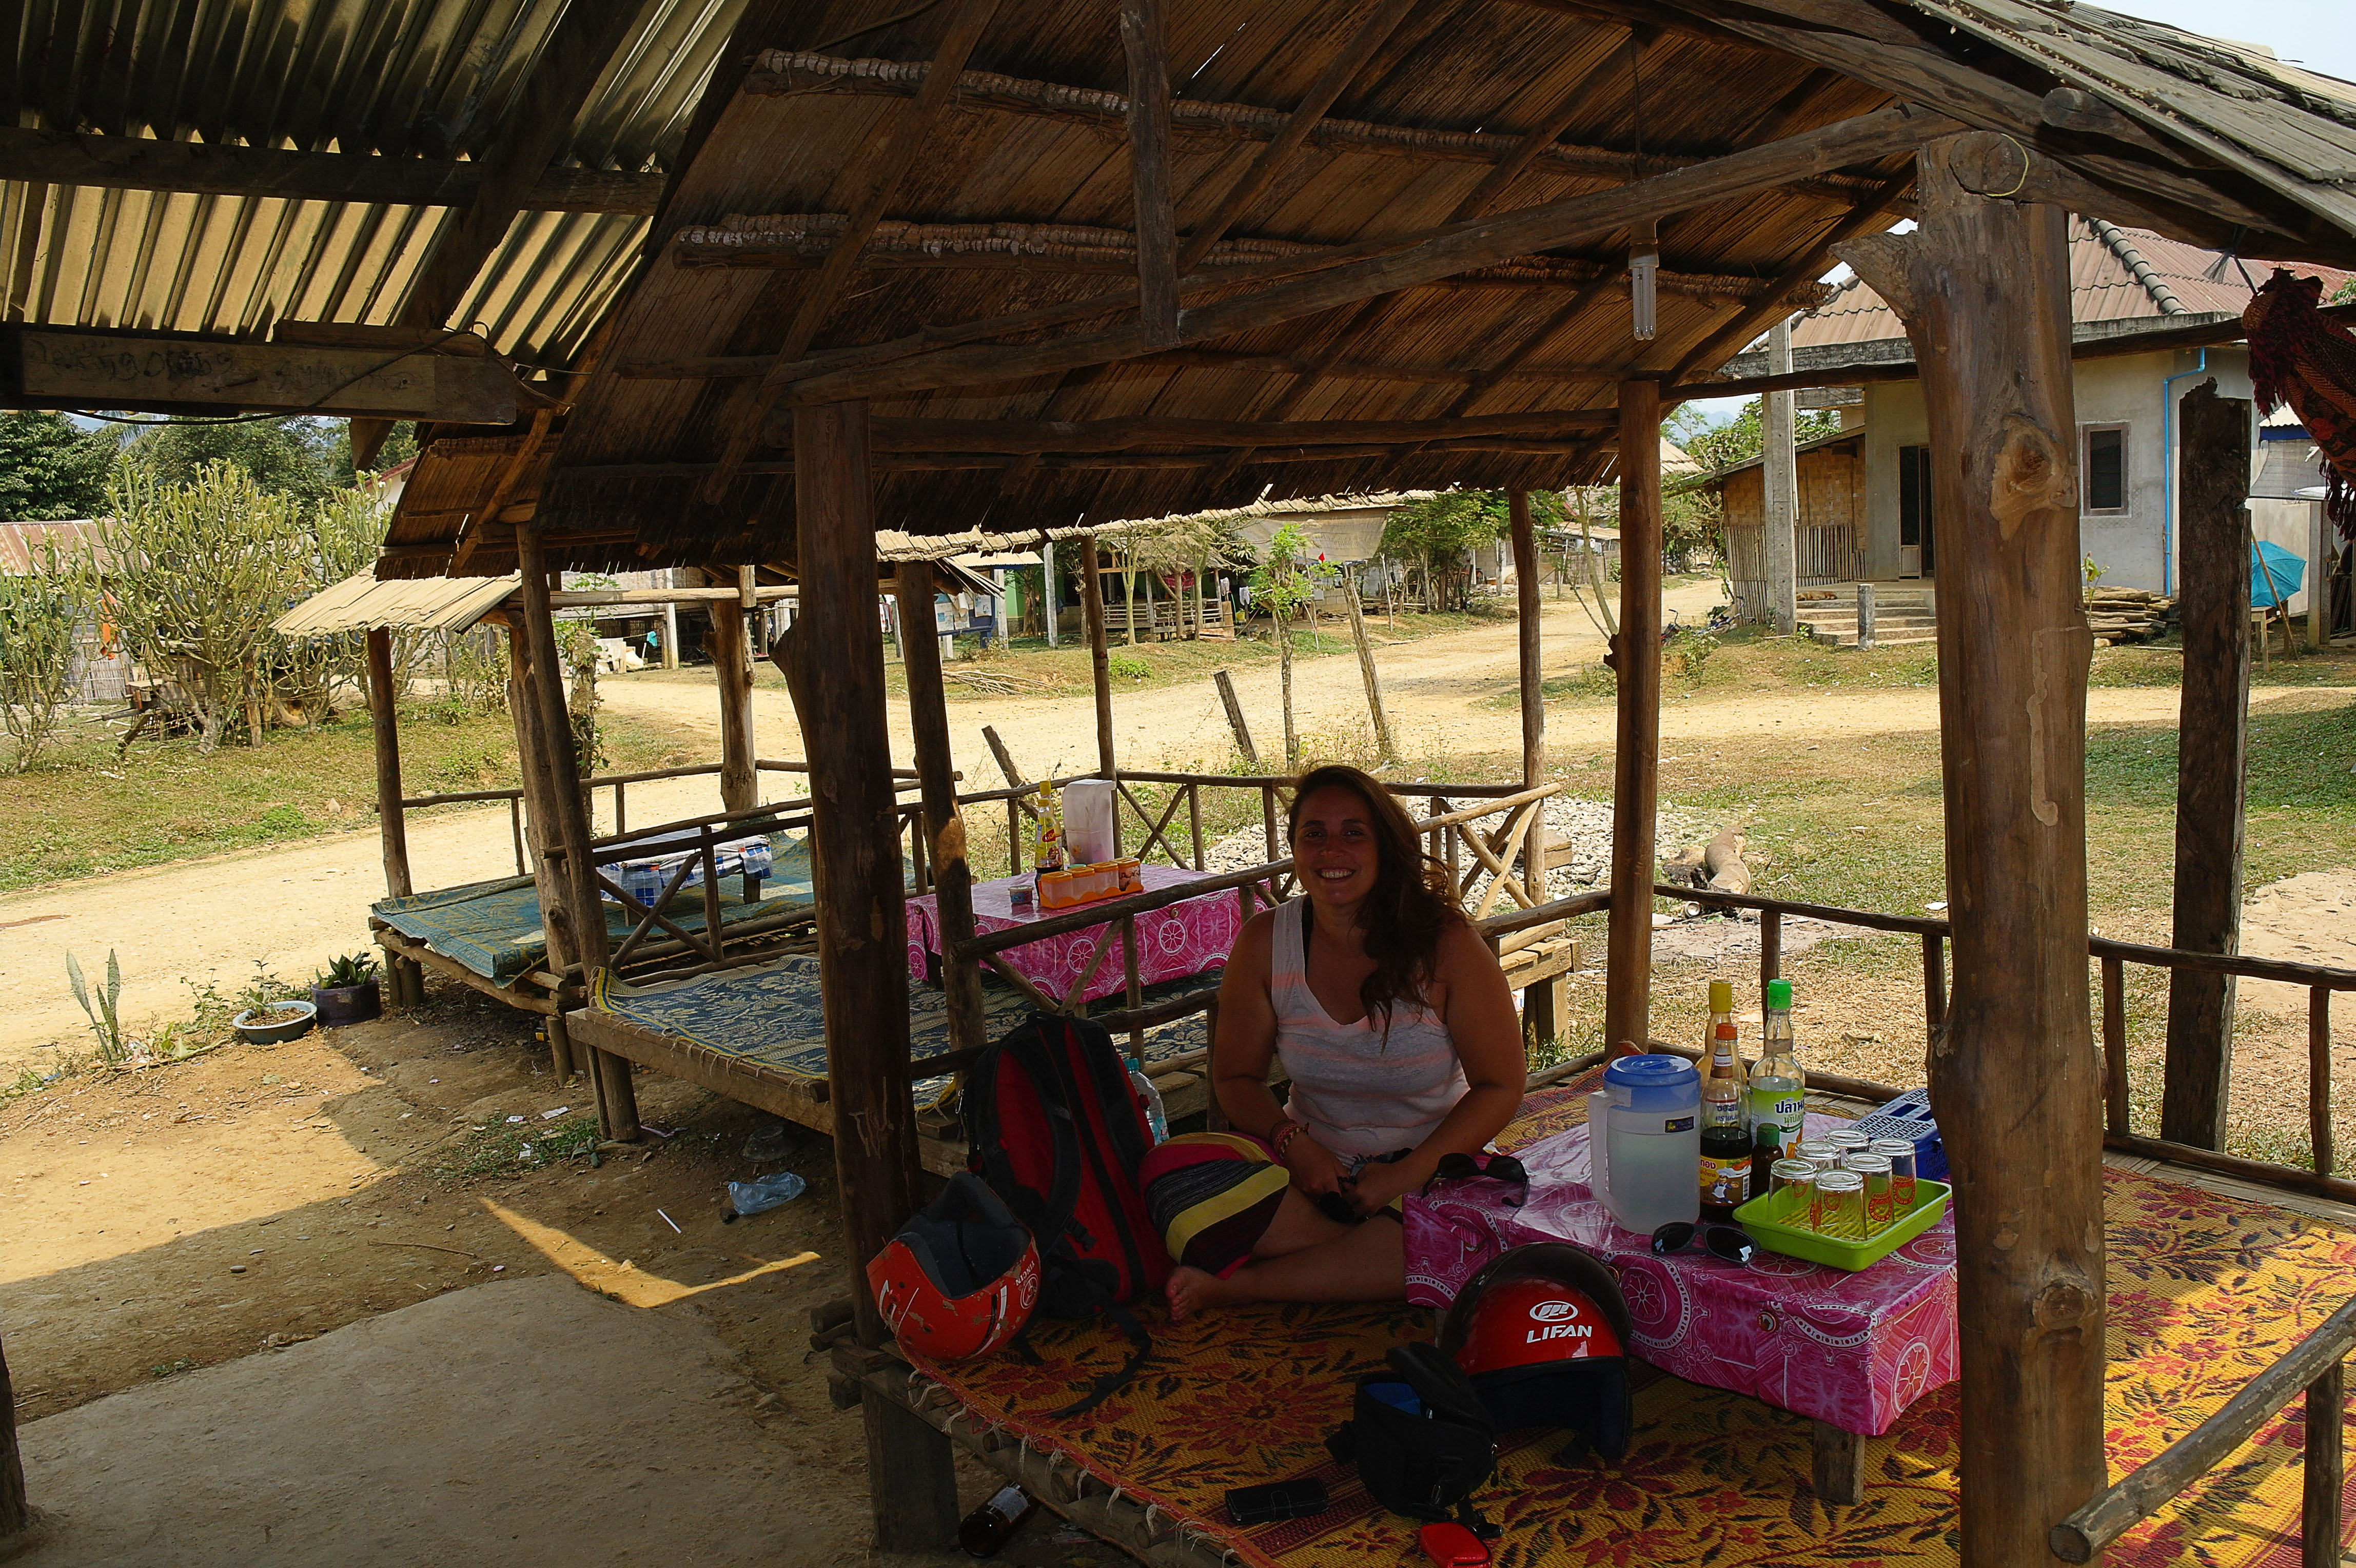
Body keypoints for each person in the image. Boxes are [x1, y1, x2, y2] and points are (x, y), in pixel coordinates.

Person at [1146, 763, 1525, 1320]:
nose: (1331, 851)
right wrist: (1292, 1142)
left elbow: (1501, 1085)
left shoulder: (1445, 944)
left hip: (1430, 1169)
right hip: (1309, 1174)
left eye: (1353, 833)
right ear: (1295, 848)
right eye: (1314, 834)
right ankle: (1376, 1253)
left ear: (1384, 846)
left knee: (1468, 1227)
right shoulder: (1265, 942)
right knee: (1168, 1175)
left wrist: (1404, 1175)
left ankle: (1247, 1284)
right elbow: (1235, 1078)